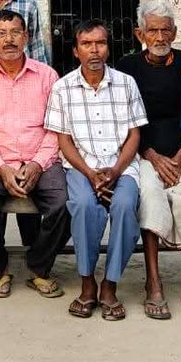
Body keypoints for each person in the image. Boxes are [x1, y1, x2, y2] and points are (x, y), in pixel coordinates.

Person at [115, 0, 181, 321]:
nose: (159, 37)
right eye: (152, 30)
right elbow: (125, 119)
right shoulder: (127, 67)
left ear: (174, 31)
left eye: (165, 30)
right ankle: (153, 281)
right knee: (149, 195)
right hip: (145, 154)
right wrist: (150, 154)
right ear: (139, 33)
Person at [0, 9, 69, 300]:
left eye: (15, 33)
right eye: (2, 34)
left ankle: (39, 265)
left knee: (65, 203)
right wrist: (1, 167)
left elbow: (56, 128)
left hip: (41, 158)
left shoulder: (47, 76)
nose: (9, 40)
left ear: (26, 37)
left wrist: (37, 163)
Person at [46, 19, 146, 322]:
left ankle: (110, 284)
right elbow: (63, 140)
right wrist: (90, 174)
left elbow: (134, 135)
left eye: (100, 43)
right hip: (81, 167)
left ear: (107, 47)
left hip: (121, 165)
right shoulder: (62, 88)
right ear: (76, 51)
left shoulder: (126, 83)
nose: (94, 50)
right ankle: (87, 282)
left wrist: (115, 171)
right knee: (83, 205)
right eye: (87, 44)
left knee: (126, 205)